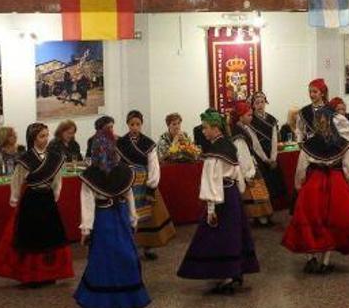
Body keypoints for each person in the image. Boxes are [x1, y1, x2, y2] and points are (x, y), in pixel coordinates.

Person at [74, 117, 151, 308]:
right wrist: (133, 219)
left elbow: (88, 204)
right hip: (117, 219)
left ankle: (109, 303)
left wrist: (86, 230)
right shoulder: (123, 172)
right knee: (121, 257)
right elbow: (129, 197)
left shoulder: (93, 175)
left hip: (106, 219)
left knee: (106, 259)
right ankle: (115, 302)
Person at [282, 107, 349, 274]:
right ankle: (325, 262)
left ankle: (311, 259)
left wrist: (299, 184)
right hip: (336, 183)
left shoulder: (308, 145)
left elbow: (301, 168)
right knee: (331, 222)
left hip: (314, 184)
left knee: (310, 220)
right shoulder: (341, 143)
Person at [177, 109, 259, 294]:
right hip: (232, 196)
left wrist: (211, 208)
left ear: (215, 128)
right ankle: (234, 272)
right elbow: (238, 174)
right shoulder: (229, 145)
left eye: (206, 128)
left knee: (219, 237)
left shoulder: (214, 152)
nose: (204, 131)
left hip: (220, 198)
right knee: (234, 234)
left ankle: (226, 275)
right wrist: (239, 193)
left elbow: (211, 181)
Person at [0, 123, 74, 286]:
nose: (45, 139)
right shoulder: (25, 159)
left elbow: (57, 180)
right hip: (31, 200)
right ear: (33, 138)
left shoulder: (54, 157)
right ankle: (31, 275)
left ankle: (49, 274)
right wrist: (14, 198)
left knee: (49, 236)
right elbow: (17, 180)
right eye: (42, 136)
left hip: (47, 200)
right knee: (31, 236)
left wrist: (55, 195)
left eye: (47, 135)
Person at [117, 110, 176, 260]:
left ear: (141, 124)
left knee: (149, 217)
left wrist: (151, 186)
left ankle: (147, 247)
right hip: (128, 184)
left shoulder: (148, 143)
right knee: (130, 215)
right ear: (127, 124)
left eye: (137, 124)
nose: (135, 127)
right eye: (132, 124)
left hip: (145, 184)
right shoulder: (121, 143)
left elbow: (154, 166)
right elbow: (117, 163)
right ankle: (130, 248)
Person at [229, 101, 274, 227]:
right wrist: (249, 172)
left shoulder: (243, 128)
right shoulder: (238, 134)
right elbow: (242, 155)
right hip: (248, 167)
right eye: (249, 115)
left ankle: (260, 217)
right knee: (256, 192)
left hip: (251, 164)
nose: (251, 117)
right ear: (240, 116)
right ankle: (259, 218)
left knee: (258, 192)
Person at [249, 91, 288, 203]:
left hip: (272, 155)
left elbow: (275, 140)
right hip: (259, 157)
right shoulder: (251, 121)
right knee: (261, 186)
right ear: (253, 105)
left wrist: (273, 158)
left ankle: (274, 211)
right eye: (257, 103)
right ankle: (262, 216)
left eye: (262, 102)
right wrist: (265, 159)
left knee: (275, 185)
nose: (260, 105)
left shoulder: (271, 119)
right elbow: (255, 143)